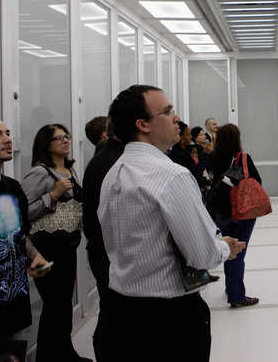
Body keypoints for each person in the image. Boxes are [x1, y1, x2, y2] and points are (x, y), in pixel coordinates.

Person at [97, 85, 245, 362]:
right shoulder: (171, 176)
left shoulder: (114, 172)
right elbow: (202, 255)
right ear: (142, 125)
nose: (177, 118)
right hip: (167, 320)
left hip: (118, 312)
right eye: (168, 112)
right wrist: (224, 248)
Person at [20, 124, 89, 362]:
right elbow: (23, 211)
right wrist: (52, 195)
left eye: (66, 136)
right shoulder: (40, 173)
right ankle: (49, 356)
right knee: (54, 307)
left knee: (62, 307)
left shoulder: (69, 169)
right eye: (58, 138)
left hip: (68, 247)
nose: (65, 140)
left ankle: (64, 352)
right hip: (47, 248)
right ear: (46, 144)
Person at [0, 117, 50, 356]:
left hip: (14, 308)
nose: (7, 139)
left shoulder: (13, 188)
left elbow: (19, 234)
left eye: (8, 133)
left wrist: (35, 255)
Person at [81, 122, 124, 362]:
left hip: (102, 250)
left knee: (110, 311)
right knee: (115, 314)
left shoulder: (101, 160)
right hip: (112, 252)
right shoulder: (116, 162)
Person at [210, 123, 261, 308]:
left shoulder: (213, 157)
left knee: (228, 248)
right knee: (239, 252)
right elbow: (257, 181)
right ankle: (237, 296)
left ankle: (230, 287)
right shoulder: (244, 158)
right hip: (243, 211)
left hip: (222, 211)